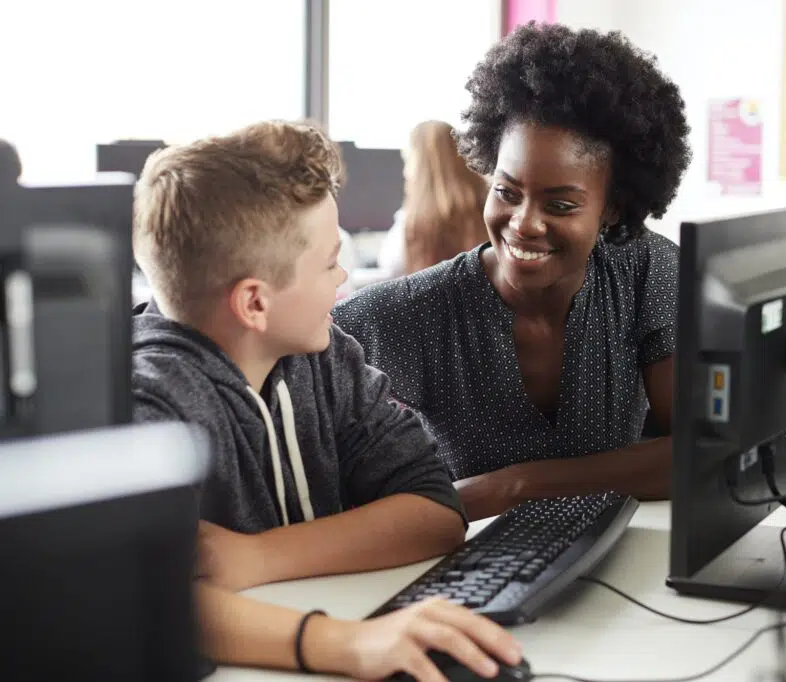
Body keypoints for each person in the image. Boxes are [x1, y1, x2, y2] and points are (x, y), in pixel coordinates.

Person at [132, 120, 521, 678]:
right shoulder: (150, 403)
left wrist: (254, 557)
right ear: (254, 304)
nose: (343, 279)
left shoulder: (324, 356)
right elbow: (142, 599)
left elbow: (436, 511)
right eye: (328, 262)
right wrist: (344, 644)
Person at [334, 22, 692, 521]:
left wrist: (514, 486)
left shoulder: (644, 269)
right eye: (506, 192)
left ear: (612, 208)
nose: (523, 224)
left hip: (610, 554)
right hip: (466, 571)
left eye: (561, 205)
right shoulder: (398, 317)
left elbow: (694, 453)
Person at [377, 120, 489, 276]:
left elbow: (389, 267)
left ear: (420, 166)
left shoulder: (411, 226)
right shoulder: (488, 210)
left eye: (408, 161)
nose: (406, 172)